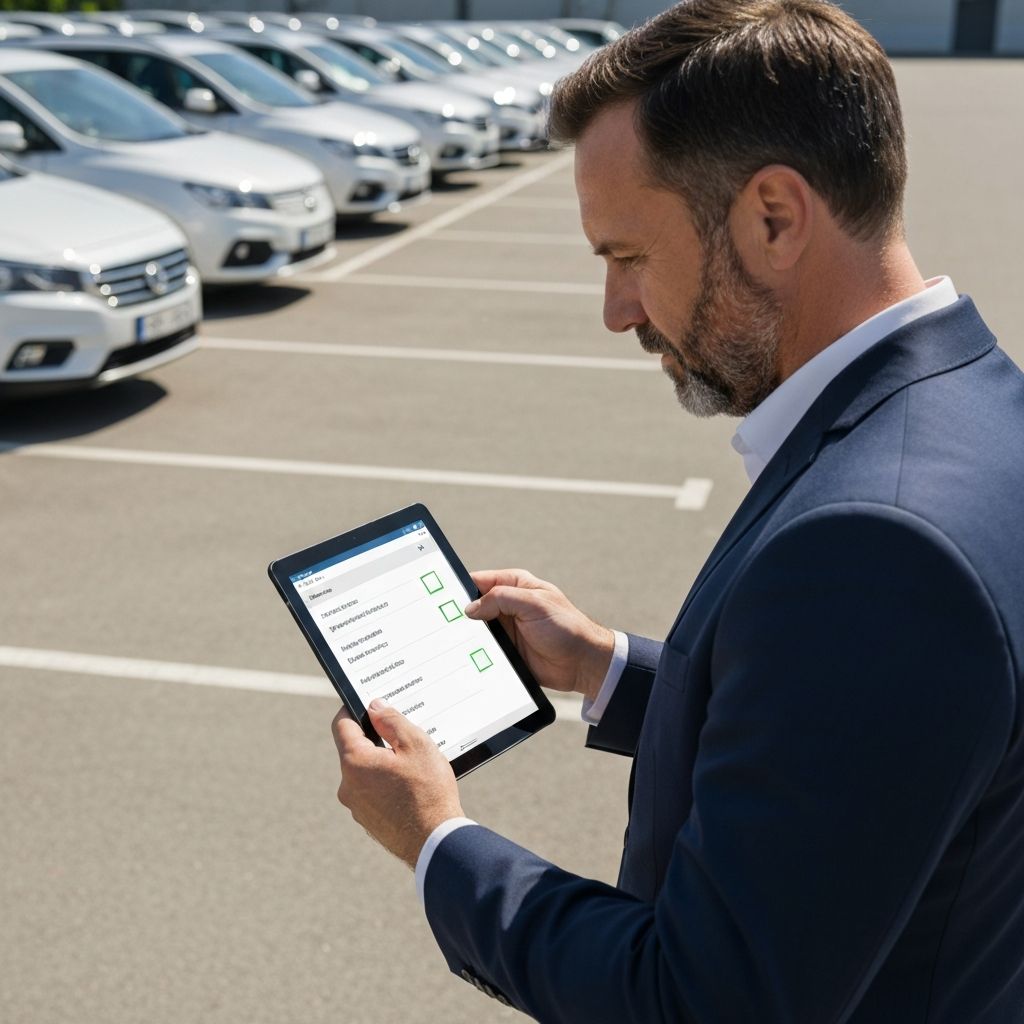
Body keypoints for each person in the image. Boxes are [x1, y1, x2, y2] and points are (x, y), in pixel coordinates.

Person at [331, 1, 1024, 1019]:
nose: (616, 310)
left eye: (628, 257)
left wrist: (439, 839)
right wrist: (604, 664)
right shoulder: (974, 404)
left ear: (773, 217)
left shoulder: (874, 543)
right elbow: (866, 749)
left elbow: (698, 998)